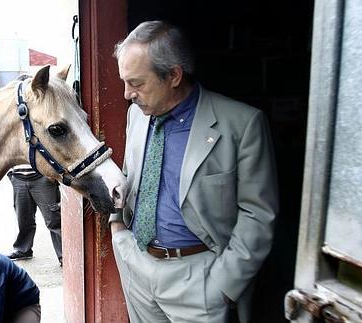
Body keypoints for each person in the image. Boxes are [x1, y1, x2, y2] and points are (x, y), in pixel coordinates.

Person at [109, 21, 278, 323]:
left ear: (173, 75)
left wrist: (224, 286)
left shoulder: (242, 123)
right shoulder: (137, 114)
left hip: (199, 279)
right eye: (125, 81)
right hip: (137, 266)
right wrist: (118, 231)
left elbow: (258, 214)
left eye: (136, 83)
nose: (126, 94)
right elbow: (128, 175)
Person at [7, 164, 63, 266]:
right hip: (18, 178)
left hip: (42, 177)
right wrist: (11, 174)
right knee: (23, 218)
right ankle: (23, 250)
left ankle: (64, 255)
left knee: (53, 220)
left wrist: (52, 174)